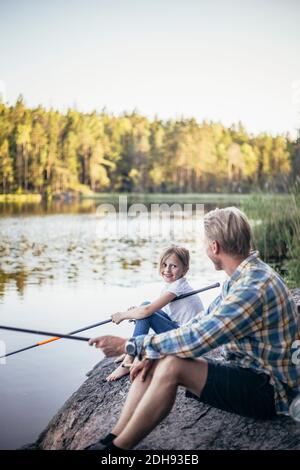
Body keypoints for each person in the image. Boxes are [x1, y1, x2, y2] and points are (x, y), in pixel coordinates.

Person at [87, 207, 300, 451]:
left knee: (172, 365)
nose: (204, 247)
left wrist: (130, 345)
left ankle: (117, 451)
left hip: (270, 390)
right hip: (251, 371)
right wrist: (151, 350)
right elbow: (201, 321)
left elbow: (200, 337)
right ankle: (112, 438)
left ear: (215, 247)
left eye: (205, 243)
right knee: (158, 355)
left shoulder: (252, 287)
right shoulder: (244, 275)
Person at [106, 245, 204, 381]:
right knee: (145, 305)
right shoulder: (173, 286)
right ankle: (133, 350)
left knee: (146, 310)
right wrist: (136, 311)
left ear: (185, 270)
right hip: (183, 332)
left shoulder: (177, 287)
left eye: (173, 266)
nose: (167, 270)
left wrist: (123, 315)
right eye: (164, 265)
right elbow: (156, 311)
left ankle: (131, 356)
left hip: (188, 340)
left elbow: (147, 312)